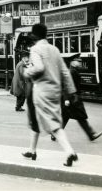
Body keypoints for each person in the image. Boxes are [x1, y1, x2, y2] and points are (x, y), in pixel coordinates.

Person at [22, 24, 78, 167]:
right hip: (55, 91)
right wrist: (72, 91)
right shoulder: (54, 49)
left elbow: (39, 68)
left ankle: (69, 152)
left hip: (41, 91)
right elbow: (65, 72)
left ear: (34, 36)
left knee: (53, 125)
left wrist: (27, 72)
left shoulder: (35, 49)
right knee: (34, 118)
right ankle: (32, 150)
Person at [51, 53, 102, 142]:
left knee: (66, 117)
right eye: (77, 61)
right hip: (71, 98)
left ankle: (55, 133)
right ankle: (91, 135)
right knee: (80, 117)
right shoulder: (71, 72)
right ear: (72, 63)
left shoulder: (74, 71)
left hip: (72, 98)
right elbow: (66, 86)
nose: (79, 63)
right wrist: (66, 99)